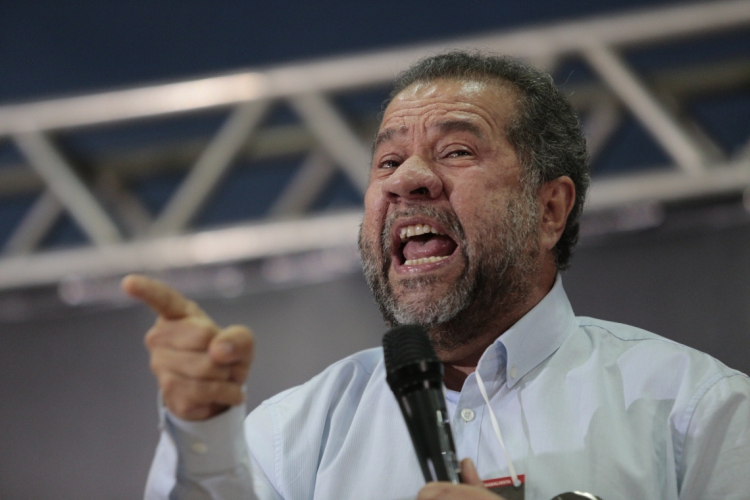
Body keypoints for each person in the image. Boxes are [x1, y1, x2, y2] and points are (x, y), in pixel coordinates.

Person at [123, 51, 750, 500]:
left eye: (456, 151)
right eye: (388, 160)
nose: (405, 179)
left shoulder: (697, 410)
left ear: (549, 209)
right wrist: (201, 434)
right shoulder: (292, 436)